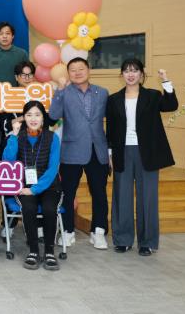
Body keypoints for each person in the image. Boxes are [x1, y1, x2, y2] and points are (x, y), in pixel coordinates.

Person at [106, 59, 178, 256]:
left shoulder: (153, 96)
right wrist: (110, 153)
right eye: (127, 71)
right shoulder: (113, 99)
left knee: (148, 197)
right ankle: (123, 239)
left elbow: (171, 105)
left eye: (135, 70)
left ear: (141, 74)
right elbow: (110, 128)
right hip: (122, 151)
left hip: (147, 152)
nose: (131, 74)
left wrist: (166, 81)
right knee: (122, 196)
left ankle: (147, 242)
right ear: (121, 75)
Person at [49, 57, 110, 249]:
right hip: (71, 150)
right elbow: (53, 116)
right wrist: (59, 91)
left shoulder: (102, 92)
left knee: (99, 193)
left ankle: (98, 231)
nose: (77, 72)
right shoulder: (64, 92)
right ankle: (67, 231)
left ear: (88, 70)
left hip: (97, 149)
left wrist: (110, 151)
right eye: (73, 70)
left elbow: (113, 121)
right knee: (68, 193)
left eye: (81, 68)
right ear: (68, 73)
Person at [3, 101, 62, 271]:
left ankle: (49, 252)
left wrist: (35, 189)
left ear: (43, 118)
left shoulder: (52, 137)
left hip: (49, 186)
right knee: (28, 208)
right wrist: (14, 136)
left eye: (37, 115)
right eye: (29, 115)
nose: (33, 119)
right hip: (25, 185)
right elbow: (8, 161)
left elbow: (53, 169)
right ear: (24, 118)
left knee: (49, 209)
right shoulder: (18, 136)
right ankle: (34, 251)